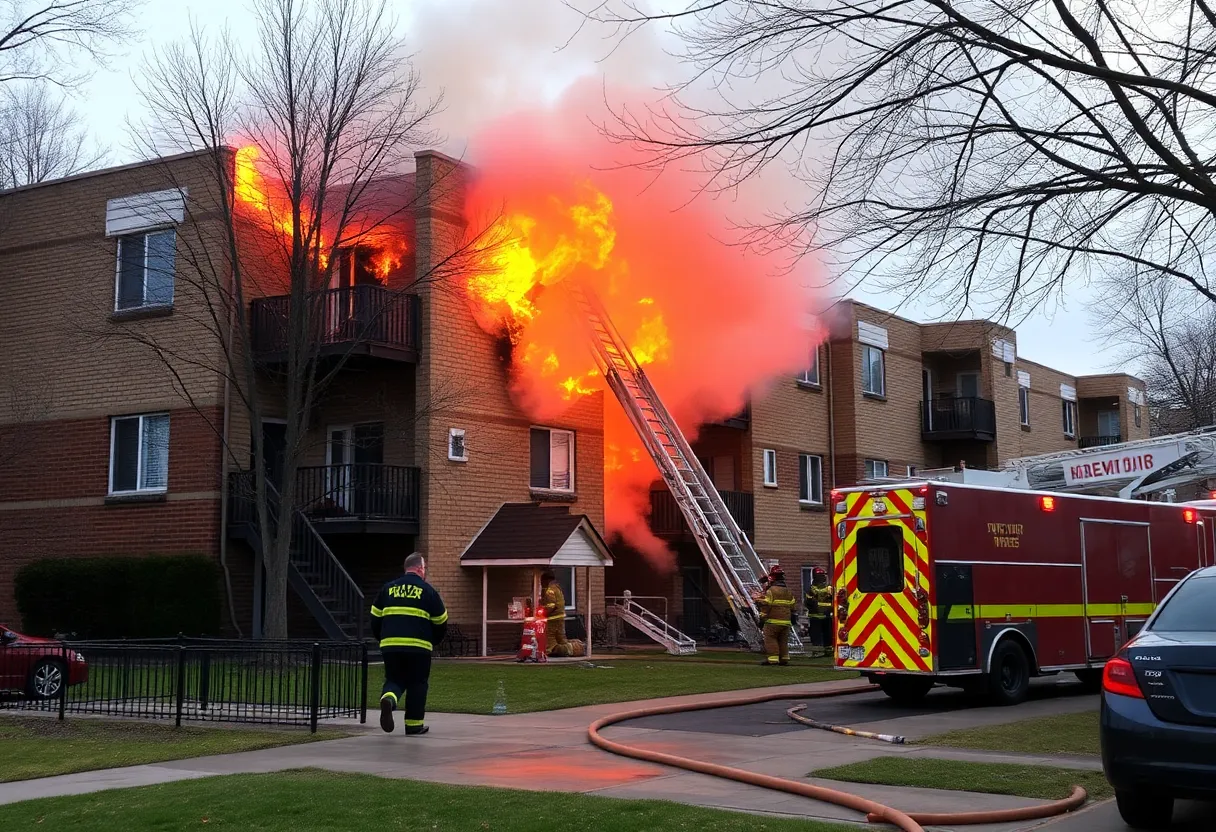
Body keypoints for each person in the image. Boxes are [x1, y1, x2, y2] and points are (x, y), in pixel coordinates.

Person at [371, 553, 447, 735]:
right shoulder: (428, 591)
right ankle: (414, 725)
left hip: (391, 647)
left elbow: (374, 619)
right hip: (419, 648)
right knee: (417, 684)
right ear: (420, 569)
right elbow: (441, 621)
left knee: (394, 679)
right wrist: (433, 641)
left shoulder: (387, 589)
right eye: (425, 568)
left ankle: (388, 699)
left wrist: (383, 640)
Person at [758, 565, 796, 666]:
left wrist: (762, 616)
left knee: (770, 638)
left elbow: (766, 605)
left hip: (773, 621)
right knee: (783, 640)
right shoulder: (788, 591)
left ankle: (773, 660)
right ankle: (784, 659)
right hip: (786, 621)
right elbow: (792, 606)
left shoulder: (771, 591)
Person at [805, 566, 836, 657]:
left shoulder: (812, 589)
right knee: (827, 634)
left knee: (816, 635)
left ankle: (818, 651)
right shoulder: (829, 588)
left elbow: (808, 602)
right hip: (826, 615)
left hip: (816, 616)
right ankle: (828, 651)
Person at [540, 571, 572, 657]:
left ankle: (550, 652)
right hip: (560, 617)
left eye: (541, 581)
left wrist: (542, 614)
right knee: (561, 637)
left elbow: (551, 605)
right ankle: (570, 650)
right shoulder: (557, 588)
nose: (541, 583)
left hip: (552, 619)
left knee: (550, 638)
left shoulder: (550, 590)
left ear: (546, 580)